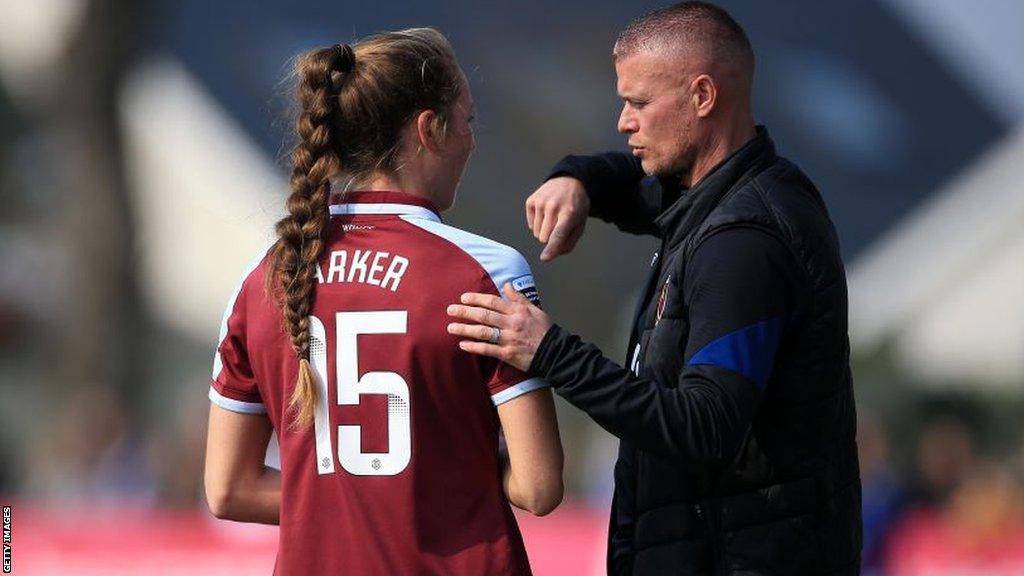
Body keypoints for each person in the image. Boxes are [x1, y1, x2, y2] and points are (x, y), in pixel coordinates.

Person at [446, 2, 861, 574]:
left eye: (638, 103)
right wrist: (578, 178)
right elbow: (631, 185)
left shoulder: (745, 240)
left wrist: (550, 352)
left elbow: (703, 425)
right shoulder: (714, 196)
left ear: (703, 97)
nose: (623, 121)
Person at [203, 28, 563, 576]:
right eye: (467, 120)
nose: (472, 138)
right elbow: (539, 487)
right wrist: (426, 490)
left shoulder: (263, 279)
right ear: (429, 130)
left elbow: (228, 490)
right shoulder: (488, 270)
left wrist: (355, 499)